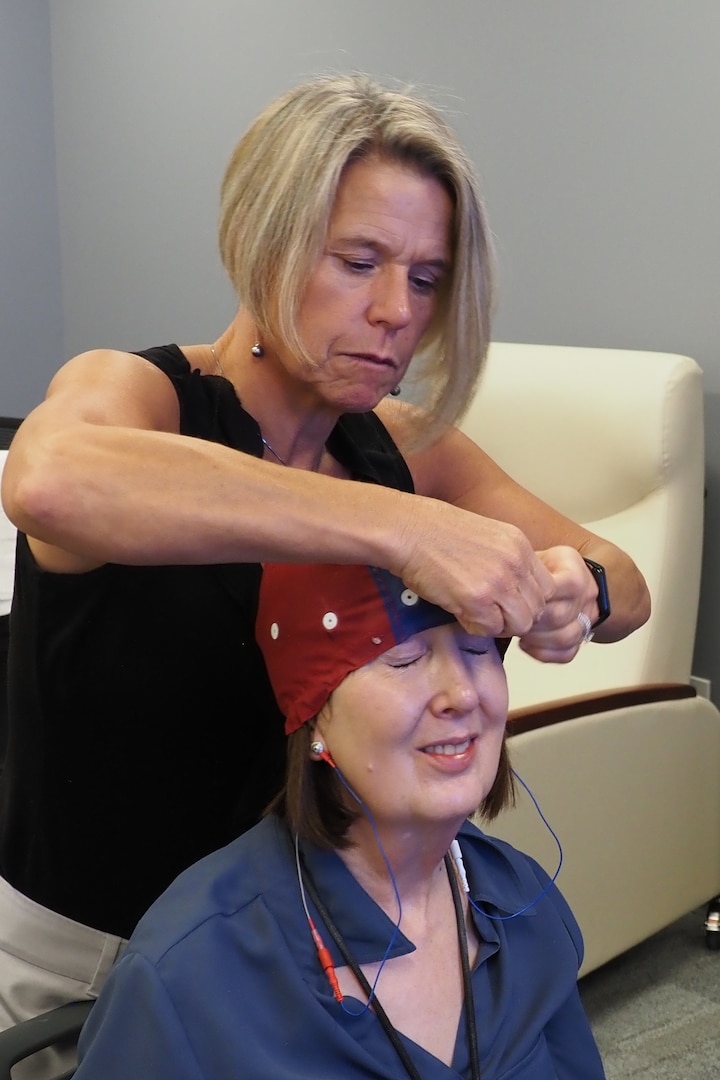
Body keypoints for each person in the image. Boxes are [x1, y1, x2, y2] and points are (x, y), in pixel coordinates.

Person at [0, 72, 648, 1060]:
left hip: (289, 943)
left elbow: (620, 577)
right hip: (94, 958)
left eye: (427, 279)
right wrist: (398, 530)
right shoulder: (144, 396)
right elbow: (48, 480)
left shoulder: (400, 442)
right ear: (268, 240)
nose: (396, 310)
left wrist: (579, 592)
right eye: (359, 262)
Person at [72, 561, 606, 1079]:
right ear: (313, 716)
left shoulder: (521, 901)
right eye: (403, 659)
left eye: (477, 650)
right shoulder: (189, 975)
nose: (463, 694)